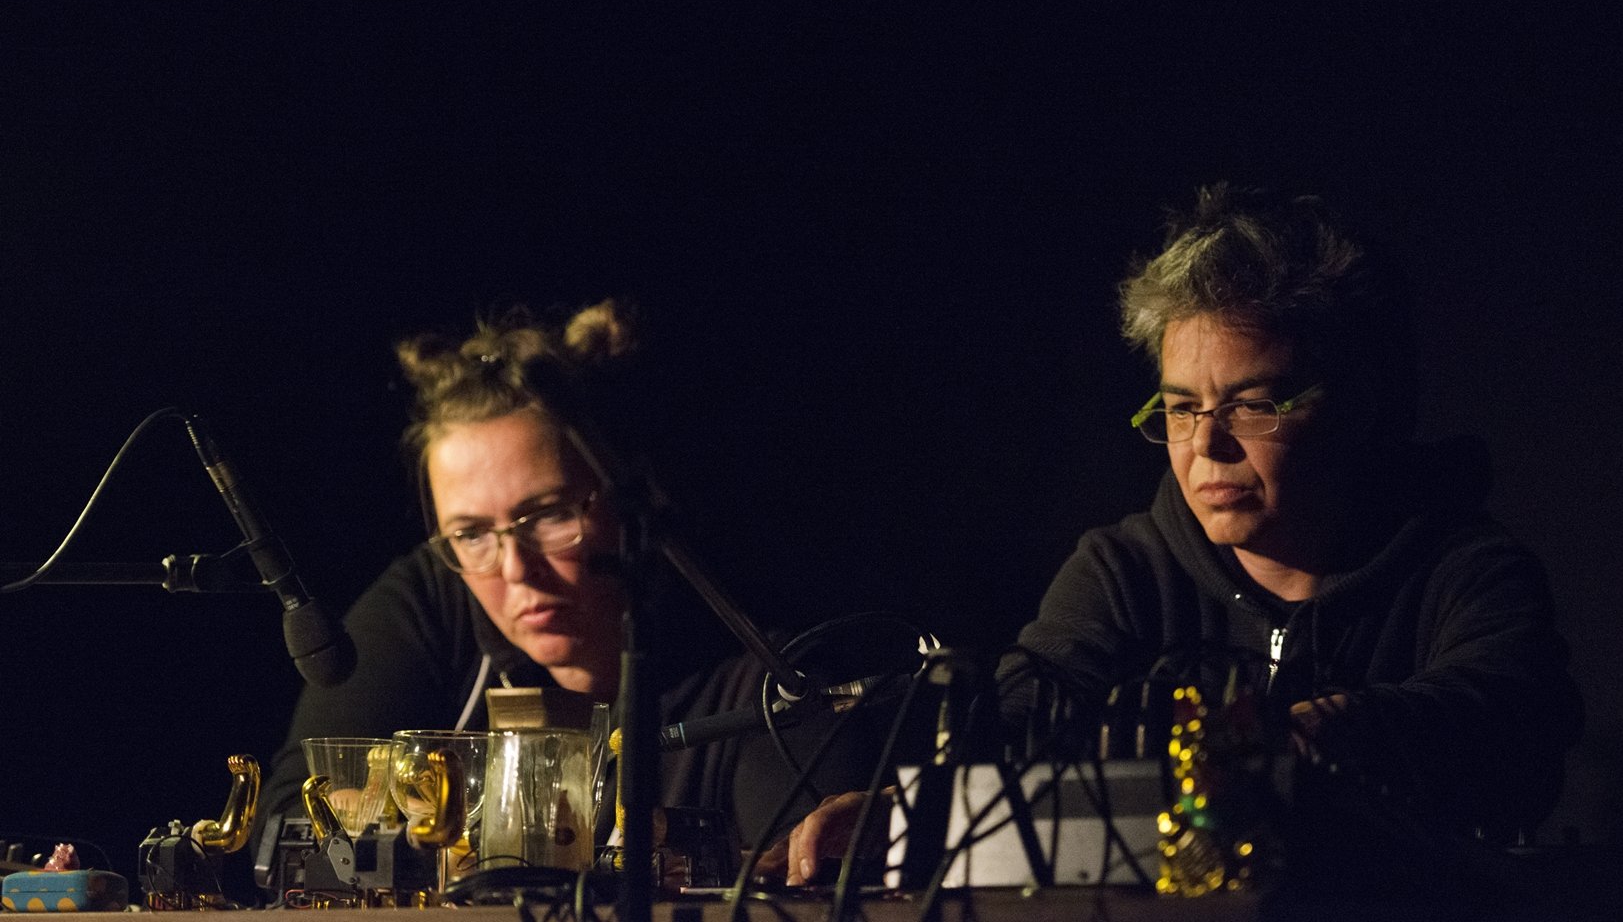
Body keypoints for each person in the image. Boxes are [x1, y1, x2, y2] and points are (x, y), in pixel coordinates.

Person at [997, 184, 1583, 905]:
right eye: (1181, 408)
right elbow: (1015, 721)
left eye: (1250, 405)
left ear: (1357, 406)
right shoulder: (1121, 571)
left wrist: (1315, 735)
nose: (1205, 445)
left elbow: (1513, 714)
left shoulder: (1464, 569)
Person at [251, 300, 879, 893]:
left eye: (549, 515)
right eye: (470, 533)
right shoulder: (434, 598)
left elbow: (802, 865)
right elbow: (287, 820)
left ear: (634, 498)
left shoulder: (759, 663)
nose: (514, 568)